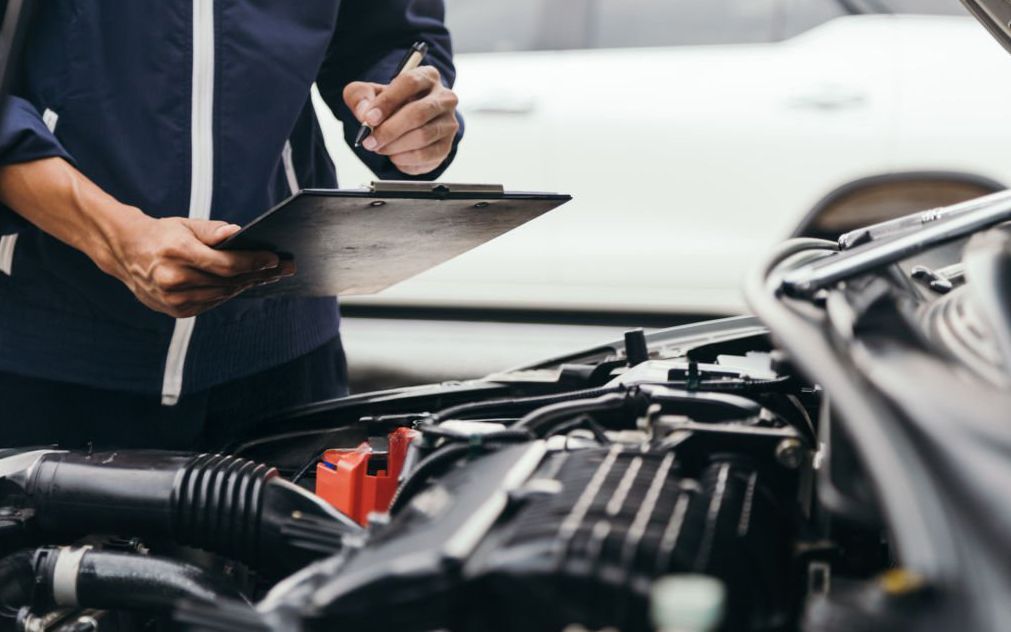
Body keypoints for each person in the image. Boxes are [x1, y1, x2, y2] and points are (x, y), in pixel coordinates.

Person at [0, 1, 463, 449]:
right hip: (39, 355)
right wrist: (112, 233)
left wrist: (410, 118)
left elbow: (391, 34)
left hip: (282, 357)